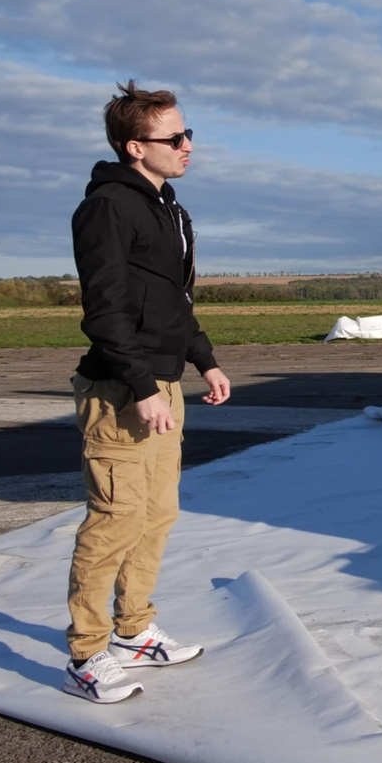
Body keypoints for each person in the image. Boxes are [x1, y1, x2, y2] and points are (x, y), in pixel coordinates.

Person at [62, 80, 230, 704]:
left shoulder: (169, 208)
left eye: (189, 134)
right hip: (120, 389)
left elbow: (172, 301)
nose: (189, 146)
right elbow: (103, 311)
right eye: (175, 137)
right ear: (136, 146)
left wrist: (203, 361)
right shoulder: (108, 206)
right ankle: (85, 654)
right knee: (114, 519)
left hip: (163, 382)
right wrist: (139, 386)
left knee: (157, 514)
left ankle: (133, 632)